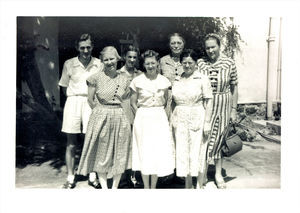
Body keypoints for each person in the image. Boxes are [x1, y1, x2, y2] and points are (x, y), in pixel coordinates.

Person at [76, 46, 132, 189]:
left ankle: (114, 187)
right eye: (105, 60)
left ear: (118, 59)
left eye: (112, 59)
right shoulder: (95, 78)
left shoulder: (125, 79)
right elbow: (90, 100)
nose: (109, 62)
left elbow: (126, 101)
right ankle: (104, 188)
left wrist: (126, 121)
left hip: (119, 117)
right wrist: (99, 115)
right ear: (102, 61)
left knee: (119, 153)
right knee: (102, 153)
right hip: (101, 116)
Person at [58, 33, 103, 189]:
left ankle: (92, 174)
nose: (85, 50)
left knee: (90, 140)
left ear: (92, 47)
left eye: (88, 47)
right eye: (82, 47)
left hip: (91, 103)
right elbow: (64, 87)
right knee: (71, 143)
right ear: (77, 47)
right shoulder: (69, 64)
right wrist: (75, 98)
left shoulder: (99, 63)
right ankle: (71, 177)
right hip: (73, 101)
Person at [198, 33, 238, 189]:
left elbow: (234, 88)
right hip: (205, 105)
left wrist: (234, 110)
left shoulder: (229, 63)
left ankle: (218, 174)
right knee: (204, 139)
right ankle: (203, 173)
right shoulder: (200, 63)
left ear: (219, 46)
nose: (210, 50)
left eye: (213, 47)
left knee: (220, 140)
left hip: (223, 104)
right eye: (207, 47)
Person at [130, 50, 175, 189]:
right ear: (143, 64)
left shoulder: (164, 81)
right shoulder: (137, 81)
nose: (150, 66)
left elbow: (167, 101)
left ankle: (153, 188)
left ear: (157, 63)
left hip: (159, 117)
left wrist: (163, 117)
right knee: (144, 151)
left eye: (153, 63)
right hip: (143, 118)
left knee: (156, 151)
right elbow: (132, 102)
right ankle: (145, 187)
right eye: (147, 63)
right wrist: (141, 116)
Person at [171, 49, 213, 189]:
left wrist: (207, 123)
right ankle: (187, 184)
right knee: (183, 152)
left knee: (198, 151)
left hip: (197, 116)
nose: (187, 65)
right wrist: (172, 120)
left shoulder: (202, 78)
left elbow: (209, 101)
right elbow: (173, 102)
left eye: (190, 62)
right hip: (180, 118)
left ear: (196, 64)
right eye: (184, 62)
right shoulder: (177, 79)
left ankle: (199, 184)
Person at [118, 45, 142, 188]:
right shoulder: (117, 73)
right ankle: (121, 176)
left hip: (137, 110)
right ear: (124, 57)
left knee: (136, 144)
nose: (132, 60)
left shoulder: (140, 74)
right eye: (129, 57)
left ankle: (134, 175)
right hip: (123, 110)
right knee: (123, 144)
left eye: (134, 57)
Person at [160, 33, 185, 119]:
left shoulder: (188, 60)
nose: (176, 46)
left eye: (179, 43)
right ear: (169, 45)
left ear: (183, 44)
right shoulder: (162, 61)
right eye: (173, 43)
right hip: (167, 100)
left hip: (184, 99)